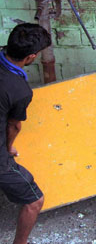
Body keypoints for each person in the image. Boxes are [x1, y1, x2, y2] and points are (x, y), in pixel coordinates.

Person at [0, 23, 51, 244]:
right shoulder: (20, 90)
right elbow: (14, 126)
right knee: (34, 201)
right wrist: (8, 149)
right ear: (30, 57)